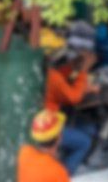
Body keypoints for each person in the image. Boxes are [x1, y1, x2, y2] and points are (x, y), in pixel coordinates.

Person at [41, 29, 97, 174]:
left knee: (90, 129)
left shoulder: (47, 71)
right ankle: (65, 174)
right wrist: (83, 70)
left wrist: (76, 66)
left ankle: (72, 160)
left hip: (50, 118)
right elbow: (74, 98)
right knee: (85, 142)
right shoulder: (52, 77)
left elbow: (63, 74)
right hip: (50, 126)